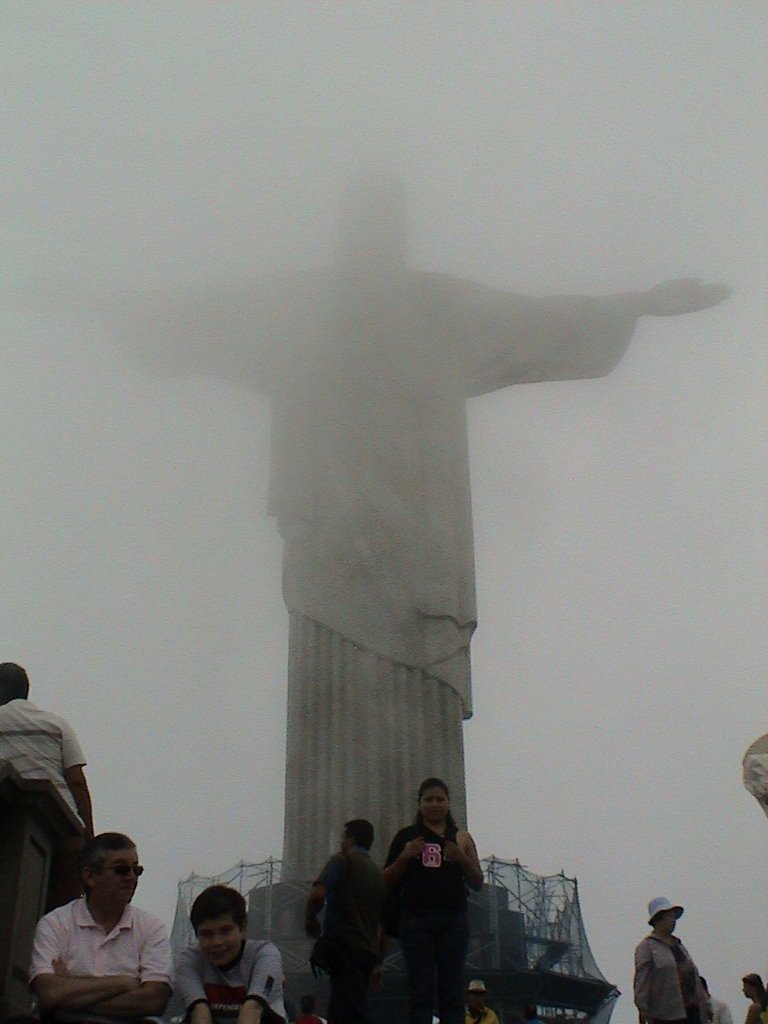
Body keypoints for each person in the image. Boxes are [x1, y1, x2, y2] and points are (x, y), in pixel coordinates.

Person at [97, 174, 731, 879]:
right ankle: (336, 878)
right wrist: (112, 307)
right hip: (332, 537)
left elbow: (542, 324)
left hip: (423, 540)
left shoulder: (440, 309)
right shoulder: (301, 309)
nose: (375, 235)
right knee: (337, 666)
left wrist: (638, 304)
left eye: (387, 221)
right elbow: (202, 320)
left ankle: (420, 879)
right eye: (363, 220)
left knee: (415, 679)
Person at [29, 831, 172, 1023]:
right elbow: (48, 993)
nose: (131, 877)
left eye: (136, 870)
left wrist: (69, 987)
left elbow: (154, 1001)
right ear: (89, 876)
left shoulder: (152, 928)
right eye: (121, 869)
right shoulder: (55, 923)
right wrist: (123, 982)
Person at [384, 777, 483, 1024]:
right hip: (416, 921)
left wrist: (461, 857)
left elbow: (477, 881)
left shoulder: (461, 838)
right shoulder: (407, 837)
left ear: (449, 803)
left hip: (453, 921)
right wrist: (405, 856)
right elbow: (386, 880)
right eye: (428, 799)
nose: (434, 804)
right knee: (420, 992)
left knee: (452, 991)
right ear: (419, 804)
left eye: (440, 799)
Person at [0, 661, 94, 909]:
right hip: (65, 831)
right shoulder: (57, 724)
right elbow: (76, 782)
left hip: (9, 826)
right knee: (62, 918)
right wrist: (88, 838)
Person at [305, 818, 385, 1024]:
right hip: (367, 954)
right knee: (345, 1008)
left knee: (349, 1012)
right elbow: (384, 926)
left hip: (345, 949)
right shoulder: (379, 875)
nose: (341, 842)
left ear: (351, 839)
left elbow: (317, 895)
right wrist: (378, 963)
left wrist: (311, 918)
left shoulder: (341, 861)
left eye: (343, 837)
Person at [175, 884, 286, 1023]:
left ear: (243, 927)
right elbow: (200, 1014)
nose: (217, 942)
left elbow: (252, 1011)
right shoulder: (188, 960)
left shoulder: (264, 954)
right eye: (206, 934)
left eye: (225, 931)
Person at [634, 896, 709, 1024]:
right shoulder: (647, 947)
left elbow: (693, 975)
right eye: (669, 916)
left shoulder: (679, 946)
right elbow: (642, 980)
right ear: (658, 919)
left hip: (692, 1012)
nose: (673, 920)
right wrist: (643, 1008)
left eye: (674, 917)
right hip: (666, 1015)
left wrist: (705, 1005)